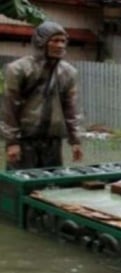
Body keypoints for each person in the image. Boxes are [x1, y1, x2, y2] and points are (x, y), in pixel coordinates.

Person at [1, 21, 83, 170]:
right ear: (41, 42)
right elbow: (10, 108)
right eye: (55, 40)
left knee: (50, 186)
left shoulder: (68, 72)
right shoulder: (19, 69)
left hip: (52, 142)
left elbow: (71, 109)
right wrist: (12, 142)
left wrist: (75, 140)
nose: (60, 45)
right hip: (24, 140)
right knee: (19, 187)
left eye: (63, 41)